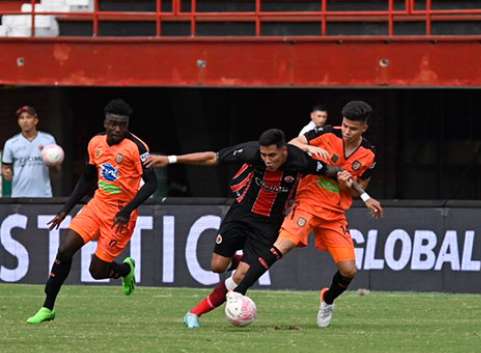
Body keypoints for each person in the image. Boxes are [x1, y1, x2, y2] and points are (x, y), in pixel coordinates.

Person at [145, 128, 380, 328]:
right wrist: (171, 159)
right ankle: (241, 260)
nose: (268, 160)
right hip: (241, 213)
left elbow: (335, 172)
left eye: (273, 156)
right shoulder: (251, 152)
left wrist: (366, 196)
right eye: (264, 155)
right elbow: (213, 158)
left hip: (267, 225)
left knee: (241, 276)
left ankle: (194, 313)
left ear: (284, 151)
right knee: (218, 266)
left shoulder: (299, 160)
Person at [231, 100, 382, 328]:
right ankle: (239, 292)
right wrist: (309, 147)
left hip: (334, 213)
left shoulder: (369, 155)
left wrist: (350, 188)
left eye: (352, 128)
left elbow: (355, 189)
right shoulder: (326, 132)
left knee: (349, 270)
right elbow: (291, 144)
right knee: (282, 245)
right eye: (345, 125)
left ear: (364, 128)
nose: (347, 131)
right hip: (308, 202)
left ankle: (327, 299)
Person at [26, 99, 157, 324]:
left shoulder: (138, 148)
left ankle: (125, 269)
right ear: (105, 122)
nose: (117, 129)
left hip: (119, 215)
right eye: (113, 123)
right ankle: (47, 307)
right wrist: (65, 209)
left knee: (97, 271)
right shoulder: (95, 143)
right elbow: (87, 179)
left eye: (122, 125)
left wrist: (127, 210)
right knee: (65, 250)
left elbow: (152, 184)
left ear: (127, 125)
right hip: (96, 206)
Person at [2, 105, 59, 197]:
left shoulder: (48, 140)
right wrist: (6, 173)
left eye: (28, 117)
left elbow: (57, 172)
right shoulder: (11, 143)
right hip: (19, 196)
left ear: (35, 120)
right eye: (21, 118)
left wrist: (53, 163)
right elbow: (5, 168)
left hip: (43, 195)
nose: (25, 121)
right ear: (18, 122)